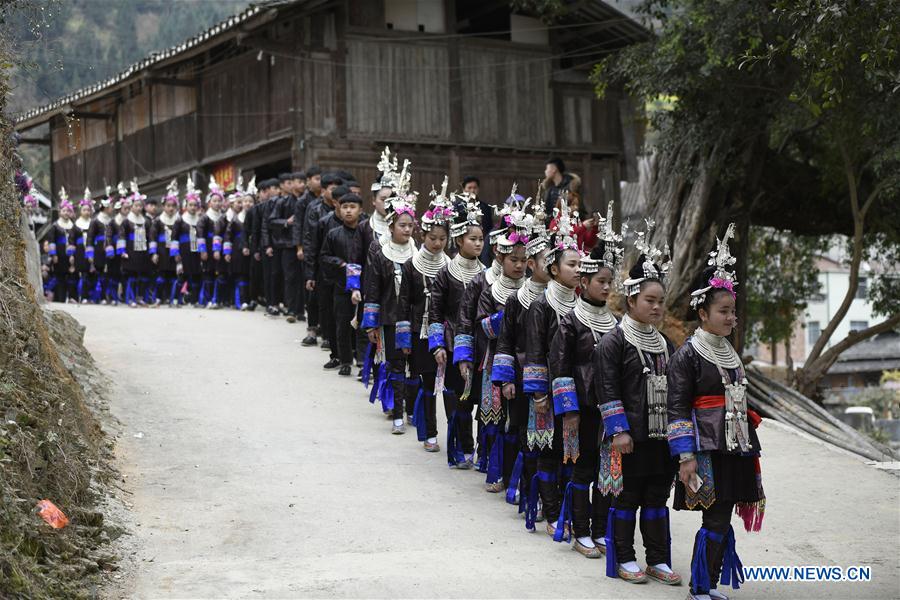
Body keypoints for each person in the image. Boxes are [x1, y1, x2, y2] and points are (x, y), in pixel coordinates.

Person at [668, 223, 765, 600]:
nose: (731, 318)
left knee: (723, 516)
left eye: (733, 312)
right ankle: (700, 587)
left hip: (736, 444)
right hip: (706, 447)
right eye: (723, 311)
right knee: (715, 516)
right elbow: (677, 407)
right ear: (702, 313)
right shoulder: (688, 355)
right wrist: (685, 457)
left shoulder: (730, 352)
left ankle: (706, 584)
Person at [597, 222, 680, 585]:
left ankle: (658, 559)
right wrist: (618, 430)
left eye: (661, 301)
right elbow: (606, 387)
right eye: (650, 300)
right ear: (631, 300)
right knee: (627, 497)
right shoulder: (613, 342)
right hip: (628, 436)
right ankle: (624, 557)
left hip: (661, 437)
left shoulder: (666, 343)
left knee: (657, 498)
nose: (657, 307)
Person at [548, 202, 623, 559]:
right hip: (582, 406)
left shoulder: (617, 325)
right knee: (583, 467)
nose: (607, 288)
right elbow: (559, 367)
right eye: (601, 282)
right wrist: (569, 410)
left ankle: (599, 528)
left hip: (610, 409)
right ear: (584, 282)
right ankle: (580, 532)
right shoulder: (570, 321)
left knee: (608, 470)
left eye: (610, 282)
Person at [462, 191, 531, 493]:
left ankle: (514, 475)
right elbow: (481, 326)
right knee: (494, 418)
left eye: (524, 260)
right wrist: (511, 317)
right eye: (513, 260)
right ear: (500, 258)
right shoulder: (487, 287)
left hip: (526, 363)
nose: (519, 265)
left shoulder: (533, 291)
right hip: (494, 361)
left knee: (517, 422)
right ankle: (494, 468)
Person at [522, 202, 581, 536]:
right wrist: (540, 392)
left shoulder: (585, 307)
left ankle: (571, 510)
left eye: (580, 265)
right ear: (555, 269)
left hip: (577, 386)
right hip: (547, 388)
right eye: (571, 264)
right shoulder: (542, 305)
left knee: (572, 450)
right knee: (549, 448)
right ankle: (552, 511)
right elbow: (534, 349)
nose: (577, 270)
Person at [492, 202, 550, 519]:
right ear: (531, 264)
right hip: (520, 373)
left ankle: (546, 496)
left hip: (551, 378)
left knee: (547, 440)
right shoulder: (518, 299)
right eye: (545, 260)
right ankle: (525, 489)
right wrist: (507, 378)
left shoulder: (561, 300)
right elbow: (506, 340)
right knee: (522, 433)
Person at [428, 193, 485, 468]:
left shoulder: (487, 274)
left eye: (481, 239)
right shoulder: (446, 272)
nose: (477, 243)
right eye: (473, 239)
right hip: (452, 344)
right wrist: (437, 345)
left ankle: (479, 448)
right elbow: (435, 311)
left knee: (477, 400)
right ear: (460, 240)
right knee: (459, 400)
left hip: (480, 347)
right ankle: (462, 447)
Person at [397, 177, 453, 451]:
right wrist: (404, 340)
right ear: (423, 236)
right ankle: (430, 432)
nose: (438, 243)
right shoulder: (411, 267)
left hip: (446, 332)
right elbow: (404, 303)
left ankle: (456, 437)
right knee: (428, 383)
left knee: (452, 388)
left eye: (443, 239)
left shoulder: (451, 267)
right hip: (420, 332)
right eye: (433, 238)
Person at [363, 166, 418, 433]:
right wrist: (371, 323)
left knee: (414, 367)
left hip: (414, 319)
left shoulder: (419, 254)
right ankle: (396, 412)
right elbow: (372, 288)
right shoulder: (380, 250)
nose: (407, 230)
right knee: (395, 364)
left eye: (410, 225)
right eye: (402, 225)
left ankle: (411, 410)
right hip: (388, 317)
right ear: (392, 225)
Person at [320, 192, 367, 376]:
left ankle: (363, 360)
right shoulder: (333, 234)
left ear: (360, 210)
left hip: (364, 285)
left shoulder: (366, 232)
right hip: (341, 285)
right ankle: (345, 360)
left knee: (364, 324)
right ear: (338, 209)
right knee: (342, 323)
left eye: (352, 207)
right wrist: (340, 264)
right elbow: (324, 256)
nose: (348, 211)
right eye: (344, 207)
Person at [304, 173, 343, 353]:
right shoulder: (315, 210)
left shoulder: (345, 213)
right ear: (324, 191)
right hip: (322, 264)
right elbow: (311, 243)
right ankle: (317, 331)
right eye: (332, 189)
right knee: (320, 301)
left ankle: (332, 337)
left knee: (336, 305)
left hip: (340, 265)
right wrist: (310, 272)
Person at [297, 166, 323, 345]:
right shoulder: (304, 202)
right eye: (316, 178)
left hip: (324, 253)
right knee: (310, 290)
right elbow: (300, 227)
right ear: (308, 181)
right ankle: (312, 328)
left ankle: (323, 328)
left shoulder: (330, 202)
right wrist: (300, 247)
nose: (319, 182)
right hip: (309, 250)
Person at [120, 181, 152, 307]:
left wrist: (151, 251)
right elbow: (122, 236)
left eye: (140, 205)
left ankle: (140, 297)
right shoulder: (126, 222)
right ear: (131, 206)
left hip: (143, 250)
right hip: (131, 251)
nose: (138, 208)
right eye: (136, 205)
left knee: (142, 275)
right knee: (132, 276)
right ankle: (130, 298)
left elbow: (150, 236)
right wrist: (122, 251)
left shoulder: (146, 221)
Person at [149, 179, 182, 306]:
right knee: (161, 276)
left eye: (173, 206)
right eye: (168, 206)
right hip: (162, 251)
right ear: (163, 206)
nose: (171, 208)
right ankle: (158, 298)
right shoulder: (157, 221)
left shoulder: (179, 220)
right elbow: (152, 237)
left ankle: (173, 298)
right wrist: (153, 253)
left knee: (174, 276)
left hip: (175, 251)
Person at [172, 178, 203, 305]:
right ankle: (175, 298)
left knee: (196, 275)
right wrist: (175, 253)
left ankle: (194, 299)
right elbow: (174, 237)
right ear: (186, 205)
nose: (193, 207)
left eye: (195, 205)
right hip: (184, 251)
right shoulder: (180, 220)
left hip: (196, 251)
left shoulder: (200, 220)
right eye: (190, 205)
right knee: (182, 276)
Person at [225, 178, 255, 310]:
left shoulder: (256, 218)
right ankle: (240, 301)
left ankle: (250, 300)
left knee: (250, 275)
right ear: (241, 203)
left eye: (250, 201)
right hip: (237, 251)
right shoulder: (235, 220)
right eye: (245, 201)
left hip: (252, 250)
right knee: (240, 275)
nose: (248, 204)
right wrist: (227, 251)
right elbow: (227, 236)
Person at [196, 177, 226, 308]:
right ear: (209, 203)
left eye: (220, 201)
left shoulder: (224, 217)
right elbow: (200, 235)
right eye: (214, 201)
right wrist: (202, 250)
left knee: (219, 273)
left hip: (220, 249)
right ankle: (207, 299)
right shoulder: (204, 218)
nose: (217, 203)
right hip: (208, 248)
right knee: (208, 274)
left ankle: (217, 299)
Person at [47, 188, 76, 304]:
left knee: (71, 276)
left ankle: (72, 297)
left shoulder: (73, 226)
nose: (66, 213)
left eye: (68, 211)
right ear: (60, 212)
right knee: (60, 277)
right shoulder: (55, 226)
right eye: (64, 211)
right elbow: (51, 241)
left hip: (70, 256)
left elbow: (75, 242)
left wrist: (74, 255)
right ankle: (60, 298)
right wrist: (53, 254)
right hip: (59, 255)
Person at [461, 175, 495, 265]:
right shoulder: (458, 207)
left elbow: (489, 228)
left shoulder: (485, 207)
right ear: (464, 189)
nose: (472, 190)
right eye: (469, 188)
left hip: (481, 246)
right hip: (463, 245)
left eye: (475, 187)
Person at [92, 188, 116, 304]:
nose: (112, 208)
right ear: (106, 207)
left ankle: (108, 296)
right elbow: (90, 238)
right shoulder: (96, 221)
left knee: (109, 273)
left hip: (110, 249)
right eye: (111, 206)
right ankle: (99, 296)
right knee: (100, 272)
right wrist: (90, 253)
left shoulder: (111, 221)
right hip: (99, 249)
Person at [72, 188, 96, 303]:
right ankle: (79, 296)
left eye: (88, 210)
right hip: (80, 251)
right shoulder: (76, 225)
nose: (87, 212)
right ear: (80, 211)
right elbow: (71, 240)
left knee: (91, 273)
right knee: (81, 273)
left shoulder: (93, 223)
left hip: (92, 250)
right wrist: (71, 254)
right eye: (84, 209)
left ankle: (89, 296)